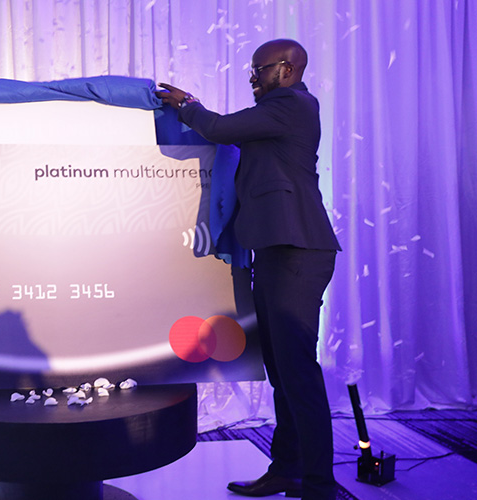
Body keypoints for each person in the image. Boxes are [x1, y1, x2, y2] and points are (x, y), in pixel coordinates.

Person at [156, 39, 341, 500]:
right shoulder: (277, 110)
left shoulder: (291, 105)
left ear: (287, 69)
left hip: (298, 251)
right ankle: (288, 470)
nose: (252, 77)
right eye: (251, 69)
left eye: (259, 69)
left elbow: (220, 127)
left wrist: (187, 104)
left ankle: (319, 487)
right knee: (282, 373)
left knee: (298, 374)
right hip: (277, 251)